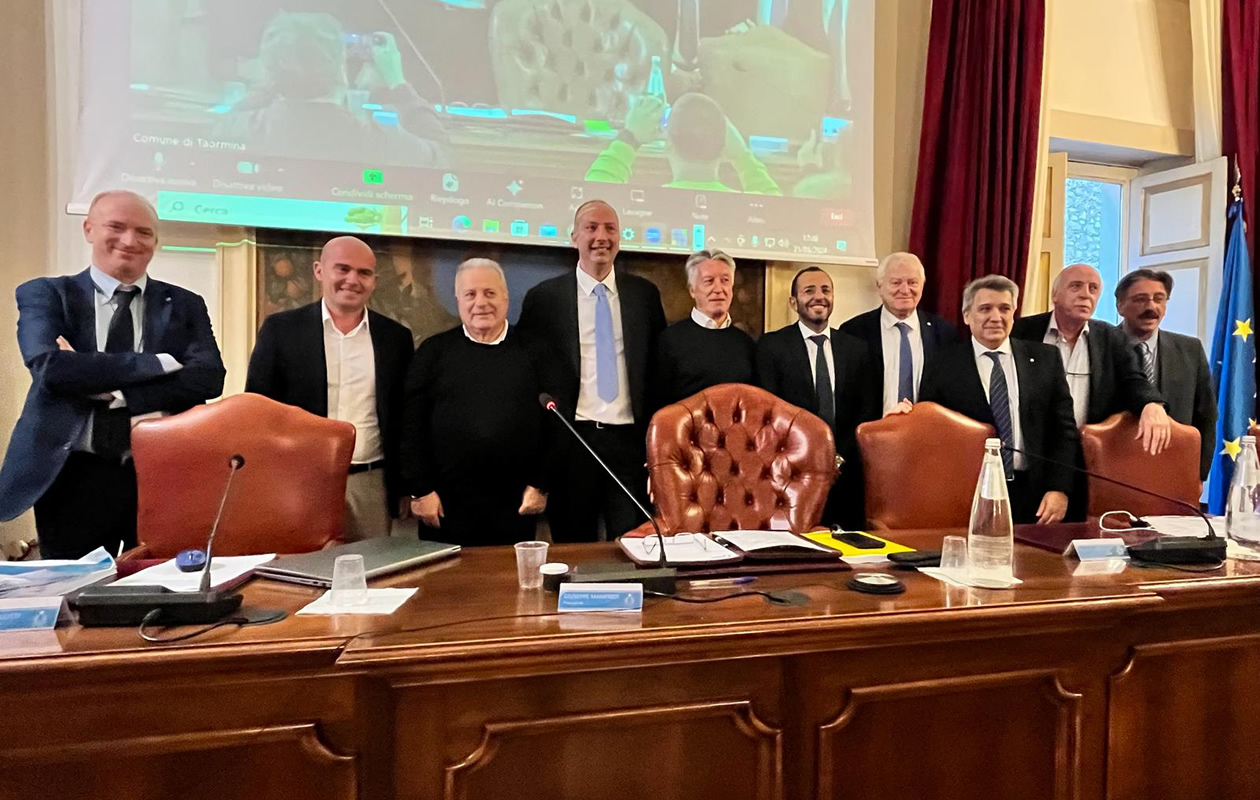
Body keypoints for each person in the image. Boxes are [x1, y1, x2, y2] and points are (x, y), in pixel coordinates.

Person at [0, 190, 226, 558]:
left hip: (159, 476)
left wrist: (115, 392)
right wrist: (157, 364)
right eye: (116, 227)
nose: (130, 241)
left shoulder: (185, 304)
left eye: (144, 232)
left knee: (159, 583)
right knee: (74, 588)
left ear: (155, 241)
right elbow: (51, 369)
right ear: (89, 229)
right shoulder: (47, 295)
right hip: (72, 476)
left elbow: (208, 378)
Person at [245, 235, 414, 540]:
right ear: (319, 270)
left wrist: (405, 485)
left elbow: (405, 416)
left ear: (374, 281)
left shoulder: (395, 338)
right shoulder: (281, 330)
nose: (353, 280)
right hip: (299, 480)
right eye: (343, 269)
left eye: (364, 273)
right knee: (300, 565)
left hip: (370, 483)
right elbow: (258, 411)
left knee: (369, 566)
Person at [517, 200, 667, 541]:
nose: (602, 236)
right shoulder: (544, 299)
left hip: (629, 445)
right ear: (574, 238)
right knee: (574, 544)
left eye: (610, 229)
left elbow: (657, 370)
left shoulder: (643, 295)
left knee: (633, 544)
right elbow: (529, 375)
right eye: (591, 228)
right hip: (572, 443)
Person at [400, 259, 555, 545]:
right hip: (444, 507)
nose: (481, 303)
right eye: (470, 294)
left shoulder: (537, 352)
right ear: (458, 300)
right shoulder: (432, 352)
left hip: (517, 505)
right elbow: (410, 426)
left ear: (505, 298)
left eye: (490, 293)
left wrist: (541, 485)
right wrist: (420, 490)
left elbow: (556, 425)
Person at [1011, 263, 1170, 519]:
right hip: (1033, 460)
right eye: (1076, 286)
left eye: (1093, 289)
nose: (1086, 294)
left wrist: (1152, 404)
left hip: (1087, 464)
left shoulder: (1111, 338)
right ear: (1055, 295)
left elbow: (1133, 380)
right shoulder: (1022, 332)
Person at [919, 275, 1079, 525]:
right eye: (985, 309)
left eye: (1004, 308)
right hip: (969, 494)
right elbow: (932, 433)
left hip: (1035, 496)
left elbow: (1063, 431)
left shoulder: (1045, 359)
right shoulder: (942, 364)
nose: (996, 317)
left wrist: (1059, 489)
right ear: (966, 315)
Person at [216, 11, 451, 167]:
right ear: (341, 69)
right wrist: (398, 83)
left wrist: (277, 77)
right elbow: (442, 155)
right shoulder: (380, 141)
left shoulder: (237, 130)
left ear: (270, 69)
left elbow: (227, 121)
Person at [756, 266, 879, 528]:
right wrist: (806, 458)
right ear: (794, 302)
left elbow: (866, 409)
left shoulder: (855, 349)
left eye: (826, 290)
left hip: (845, 474)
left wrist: (837, 458)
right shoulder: (772, 347)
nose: (819, 297)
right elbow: (770, 412)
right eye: (809, 291)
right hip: (791, 473)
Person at [1115, 269, 1217, 480]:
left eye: (1159, 299)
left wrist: (1198, 476)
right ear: (1120, 306)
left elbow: (1206, 416)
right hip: (1114, 469)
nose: (1151, 307)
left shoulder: (1190, 350)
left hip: (1174, 472)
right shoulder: (1101, 347)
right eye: (1141, 299)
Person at [586, 93, 781, 195]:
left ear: (668, 144)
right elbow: (774, 204)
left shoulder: (647, 202)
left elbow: (593, 198)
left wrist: (629, 138)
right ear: (725, 147)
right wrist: (743, 156)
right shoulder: (752, 208)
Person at [837, 252, 955, 416]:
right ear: (879, 286)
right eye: (896, 283)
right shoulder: (854, 331)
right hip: (871, 429)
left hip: (927, 429)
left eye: (912, 282)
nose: (905, 290)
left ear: (922, 286)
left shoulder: (944, 333)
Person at [654, 249, 756, 406]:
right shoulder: (670, 340)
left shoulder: (746, 343)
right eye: (709, 281)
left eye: (725, 280)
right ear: (692, 290)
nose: (718, 289)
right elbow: (658, 405)